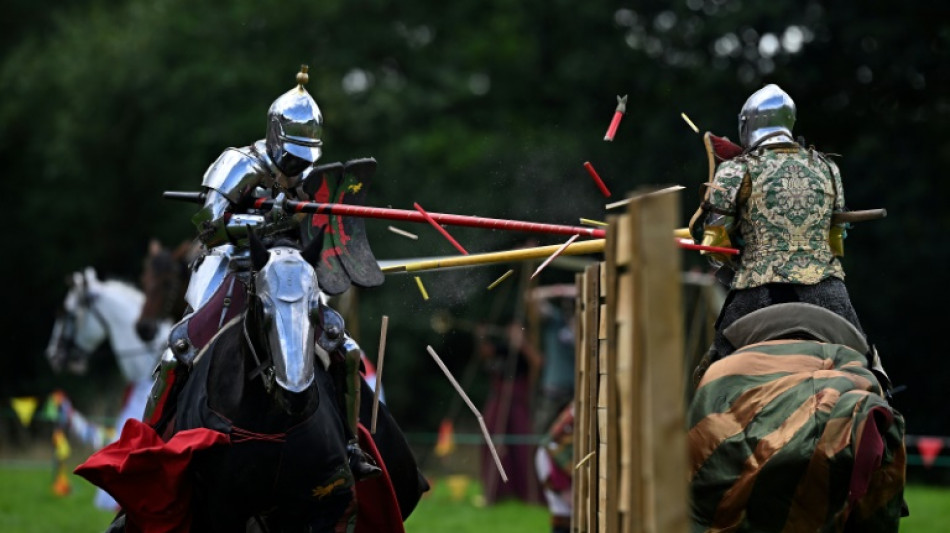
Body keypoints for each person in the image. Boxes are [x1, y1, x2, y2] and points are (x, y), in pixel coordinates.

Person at [144, 65, 380, 480]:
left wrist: (306, 223)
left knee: (342, 347)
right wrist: (265, 221)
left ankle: (348, 446)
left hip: (289, 269)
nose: (295, 165)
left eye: (304, 157)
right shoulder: (237, 165)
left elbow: (316, 230)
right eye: (290, 155)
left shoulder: (307, 173)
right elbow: (208, 228)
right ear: (274, 137)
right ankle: (148, 445)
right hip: (230, 264)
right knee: (180, 347)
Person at [691, 84, 864, 363]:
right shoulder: (827, 167)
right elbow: (836, 242)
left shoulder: (736, 169)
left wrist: (734, 256)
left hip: (758, 291)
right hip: (828, 293)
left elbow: (715, 248)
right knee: (868, 364)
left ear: (749, 123)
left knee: (715, 371)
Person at [475, 320, 544, 505]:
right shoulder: (503, 349)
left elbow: (538, 362)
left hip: (518, 402)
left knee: (523, 445)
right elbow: (486, 352)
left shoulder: (525, 349)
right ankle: (494, 492)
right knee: (491, 440)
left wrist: (522, 343)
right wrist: (481, 335)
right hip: (499, 399)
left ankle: (528, 492)